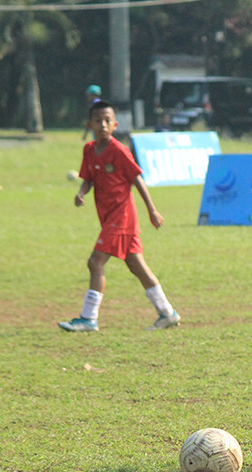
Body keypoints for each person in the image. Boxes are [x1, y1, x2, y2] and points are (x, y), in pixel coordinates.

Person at [59, 100, 181, 333]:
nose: (103, 125)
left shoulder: (119, 150)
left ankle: (88, 318)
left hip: (122, 215)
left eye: (107, 121)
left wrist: (152, 209)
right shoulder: (89, 150)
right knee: (135, 264)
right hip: (108, 216)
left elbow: (137, 178)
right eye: (98, 121)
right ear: (90, 124)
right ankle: (167, 312)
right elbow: (89, 178)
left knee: (95, 262)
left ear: (115, 124)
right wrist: (81, 193)